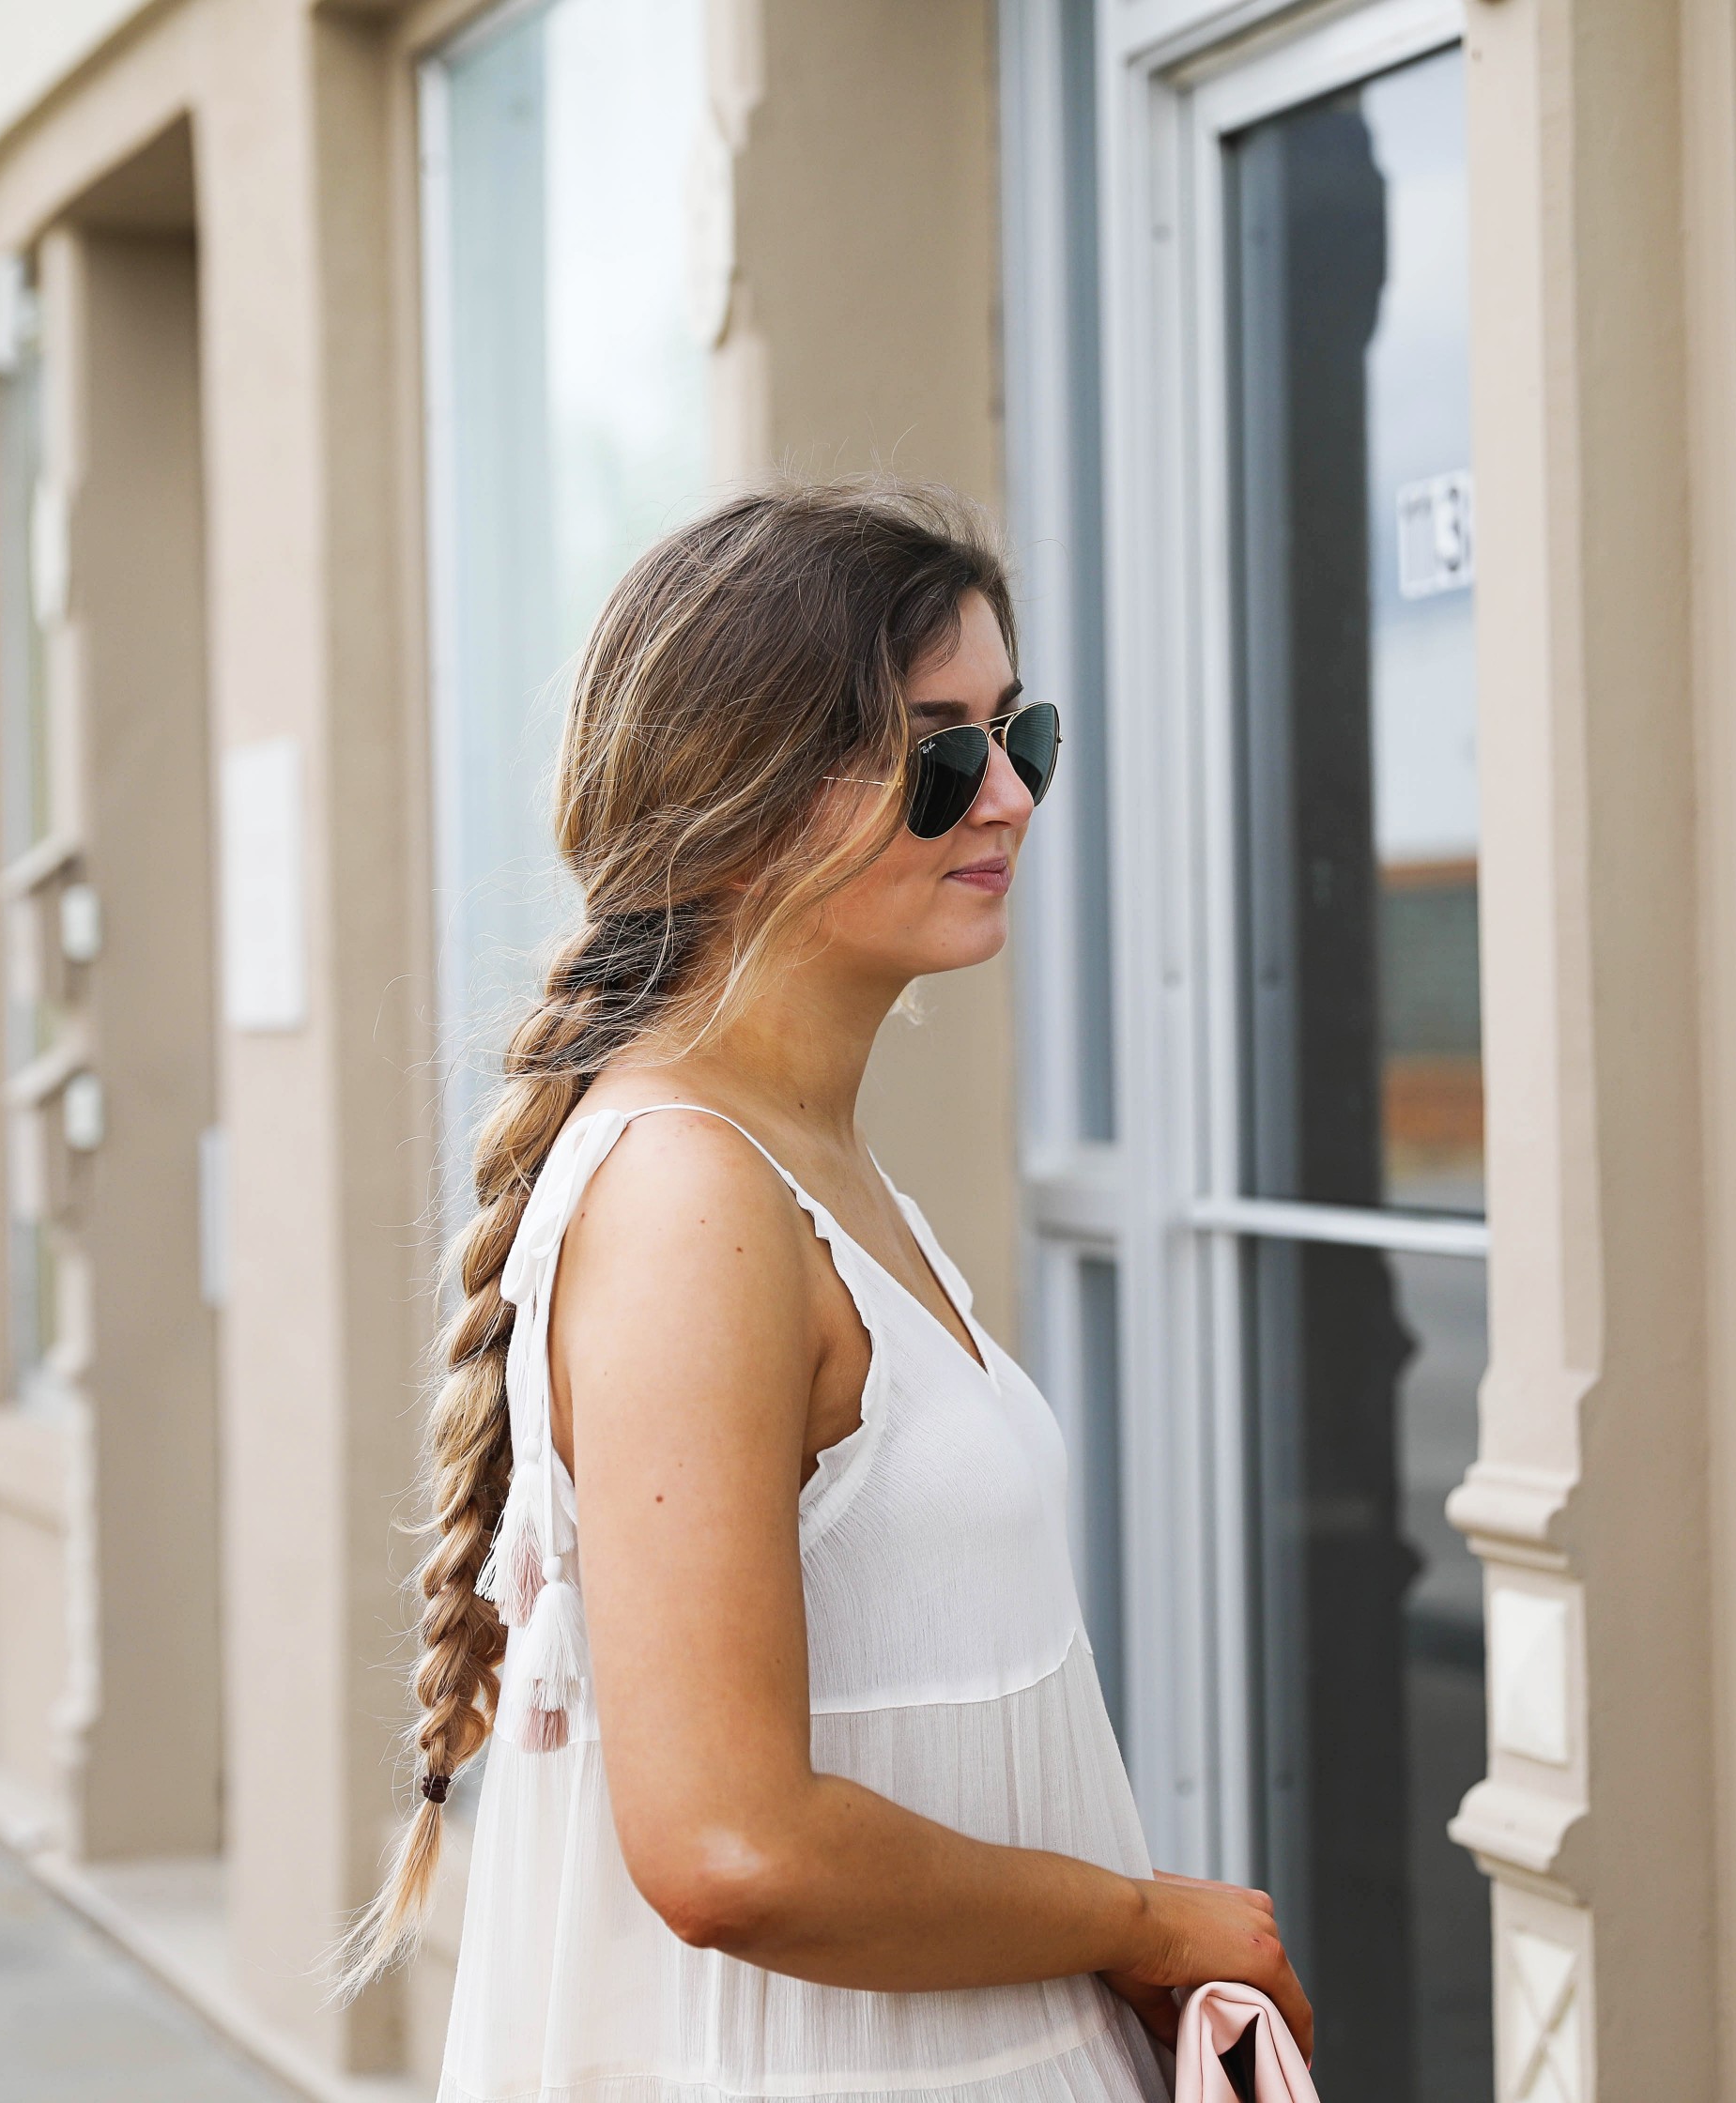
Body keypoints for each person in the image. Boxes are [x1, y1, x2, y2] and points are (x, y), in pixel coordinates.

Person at [339, 485, 1314, 2103]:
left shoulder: (802, 1161)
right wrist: (1149, 1921)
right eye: (941, 753)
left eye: (1022, 736)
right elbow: (733, 1846)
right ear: (740, 801)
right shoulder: (690, 1198)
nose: (1005, 797)